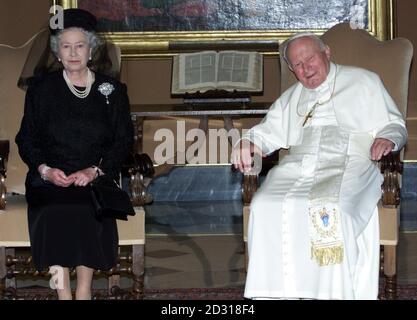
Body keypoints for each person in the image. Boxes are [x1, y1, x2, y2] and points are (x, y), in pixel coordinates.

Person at [231, 32, 407, 300]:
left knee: (332, 209)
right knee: (263, 205)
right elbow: (267, 132)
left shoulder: (364, 81)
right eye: (297, 65)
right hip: (298, 164)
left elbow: (394, 124)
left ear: (326, 53)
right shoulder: (292, 97)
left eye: (310, 59)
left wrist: (387, 138)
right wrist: (249, 142)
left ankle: (333, 293)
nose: (306, 69)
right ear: (291, 69)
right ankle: (278, 293)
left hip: (352, 162)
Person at [15, 8, 134, 300]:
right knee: (55, 210)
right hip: (50, 181)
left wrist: (93, 171)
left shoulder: (113, 90)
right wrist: (45, 170)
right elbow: (26, 138)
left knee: (87, 210)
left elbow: (124, 141)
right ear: (57, 52)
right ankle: (63, 292)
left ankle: (83, 290)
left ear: (91, 49)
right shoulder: (41, 90)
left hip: (95, 179)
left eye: (79, 45)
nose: (72, 52)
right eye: (65, 46)